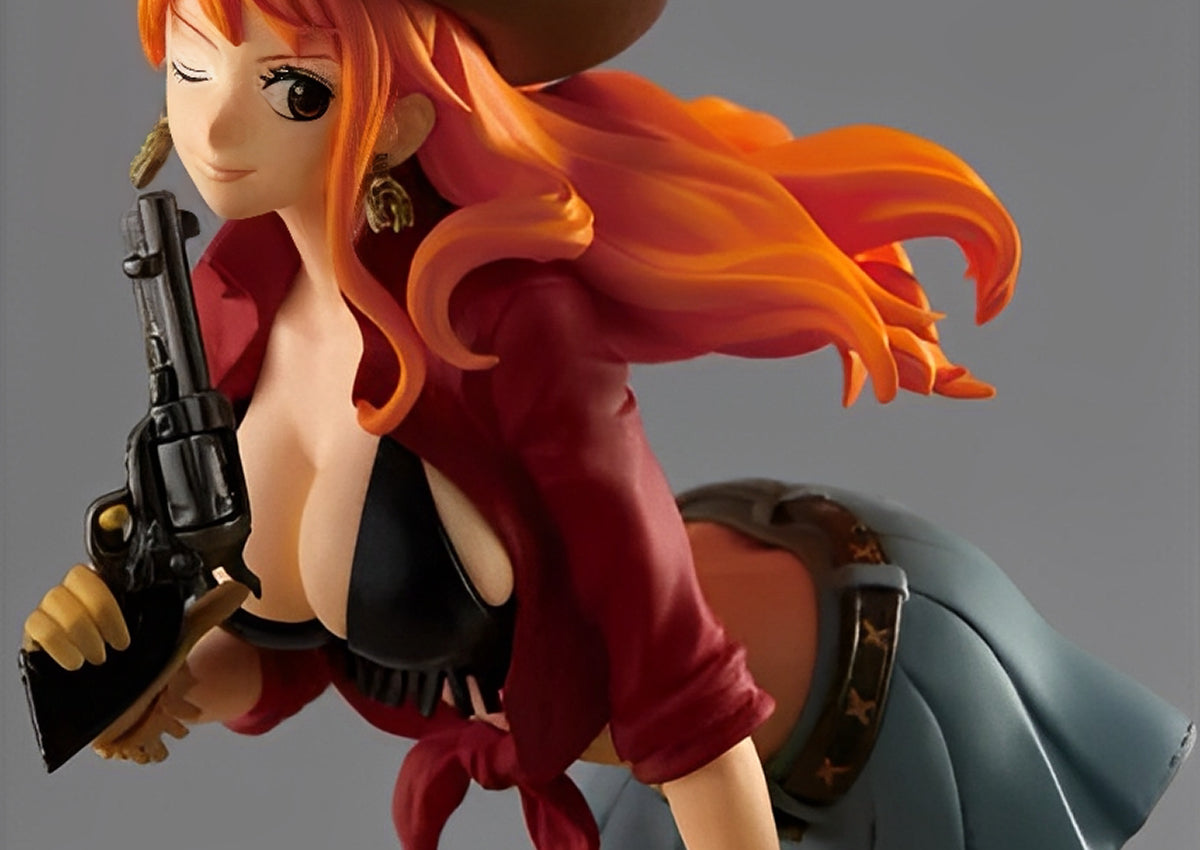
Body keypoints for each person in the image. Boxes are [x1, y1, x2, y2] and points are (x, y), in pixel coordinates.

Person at [21, 1, 1191, 849]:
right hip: (661, 769)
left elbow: (680, 687)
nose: (214, 128)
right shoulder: (234, 296)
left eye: (292, 89)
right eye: (191, 62)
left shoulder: (510, 323)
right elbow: (306, 648)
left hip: (873, 710)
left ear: (402, 118)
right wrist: (152, 680)